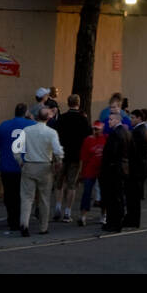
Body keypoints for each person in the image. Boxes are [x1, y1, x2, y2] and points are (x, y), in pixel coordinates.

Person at [0, 102, 35, 234]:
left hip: (7, 166)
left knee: (10, 194)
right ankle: (22, 219)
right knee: (24, 195)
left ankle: (12, 218)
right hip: (26, 165)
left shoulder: (4, 125)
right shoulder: (32, 125)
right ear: (26, 113)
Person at [19, 106, 64, 236]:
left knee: (27, 198)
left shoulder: (27, 130)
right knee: (44, 198)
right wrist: (59, 161)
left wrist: (20, 161)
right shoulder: (51, 132)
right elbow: (57, 150)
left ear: (37, 116)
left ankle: (24, 224)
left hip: (29, 164)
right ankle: (43, 227)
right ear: (48, 118)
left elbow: (17, 148)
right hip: (45, 166)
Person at [51, 94, 91, 223]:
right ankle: (68, 212)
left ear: (68, 104)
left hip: (62, 154)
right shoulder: (83, 119)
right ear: (78, 104)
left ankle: (57, 206)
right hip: (75, 155)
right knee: (72, 184)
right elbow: (88, 137)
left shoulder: (61, 118)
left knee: (59, 183)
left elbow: (55, 135)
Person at [99, 110, 131, 232]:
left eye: (111, 119)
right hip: (122, 168)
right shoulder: (126, 132)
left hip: (114, 169)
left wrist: (106, 166)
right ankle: (117, 221)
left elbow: (111, 153)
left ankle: (114, 222)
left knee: (113, 197)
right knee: (118, 196)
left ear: (118, 120)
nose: (109, 122)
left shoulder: (115, 134)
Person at [77, 121, 106, 226]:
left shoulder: (105, 139)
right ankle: (83, 215)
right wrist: (81, 172)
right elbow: (83, 158)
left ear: (102, 129)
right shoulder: (88, 140)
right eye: (94, 129)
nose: (95, 131)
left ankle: (103, 215)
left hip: (102, 170)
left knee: (104, 193)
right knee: (87, 192)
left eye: (97, 129)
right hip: (89, 169)